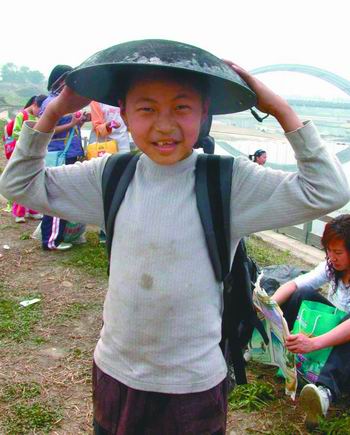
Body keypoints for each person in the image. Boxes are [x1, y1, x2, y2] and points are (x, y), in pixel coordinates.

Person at [0, 40, 349, 434]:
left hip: (192, 384)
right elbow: (19, 185)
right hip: (116, 371)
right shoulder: (110, 176)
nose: (164, 125)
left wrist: (278, 108)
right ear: (126, 116)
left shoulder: (230, 181)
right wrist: (56, 110)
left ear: (204, 115)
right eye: (146, 108)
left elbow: (328, 190)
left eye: (181, 108)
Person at [273, 214, 350, 426]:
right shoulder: (332, 267)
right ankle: (280, 352)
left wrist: (314, 342)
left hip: (345, 342)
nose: (331, 257)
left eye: (338, 252)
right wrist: (268, 305)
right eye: (329, 251)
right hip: (333, 331)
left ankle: (324, 394)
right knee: (301, 294)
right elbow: (296, 284)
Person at [39, 65, 87, 250]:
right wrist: (72, 123)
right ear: (59, 81)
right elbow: (46, 130)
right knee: (57, 196)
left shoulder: (62, 102)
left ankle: (63, 235)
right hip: (58, 154)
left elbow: (69, 128)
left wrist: (78, 123)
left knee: (65, 195)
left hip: (68, 153)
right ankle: (51, 240)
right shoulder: (50, 103)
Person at [90, 101, 130, 242]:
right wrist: (108, 125)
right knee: (105, 185)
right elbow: (97, 126)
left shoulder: (125, 97)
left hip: (123, 145)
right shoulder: (96, 101)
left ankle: (120, 226)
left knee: (124, 184)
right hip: (104, 147)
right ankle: (104, 230)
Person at [10, 95, 47, 223]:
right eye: (40, 109)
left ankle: (33, 210)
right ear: (35, 105)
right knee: (21, 181)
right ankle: (18, 212)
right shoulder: (22, 115)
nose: (41, 113)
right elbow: (15, 132)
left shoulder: (38, 117)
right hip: (22, 152)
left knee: (33, 181)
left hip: (35, 153)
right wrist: (29, 134)